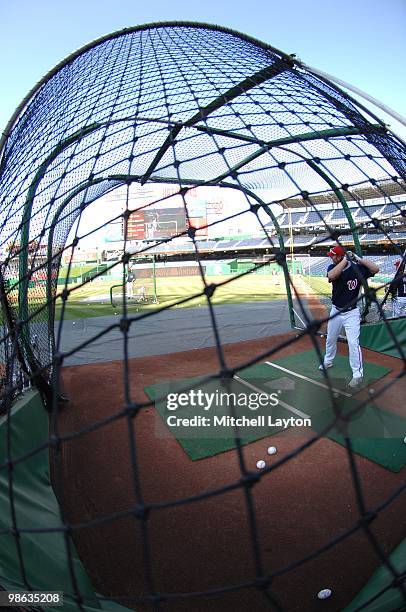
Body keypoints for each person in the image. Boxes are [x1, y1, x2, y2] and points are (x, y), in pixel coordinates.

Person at [319, 245, 379, 388]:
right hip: (336, 310)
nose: (331, 257)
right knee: (331, 337)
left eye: (333, 255)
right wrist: (345, 261)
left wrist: (358, 259)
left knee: (353, 343)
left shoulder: (358, 269)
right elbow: (331, 276)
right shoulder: (332, 268)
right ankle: (328, 360)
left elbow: (375, 269)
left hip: (352, 313)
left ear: (339, 256)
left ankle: (357, 375)